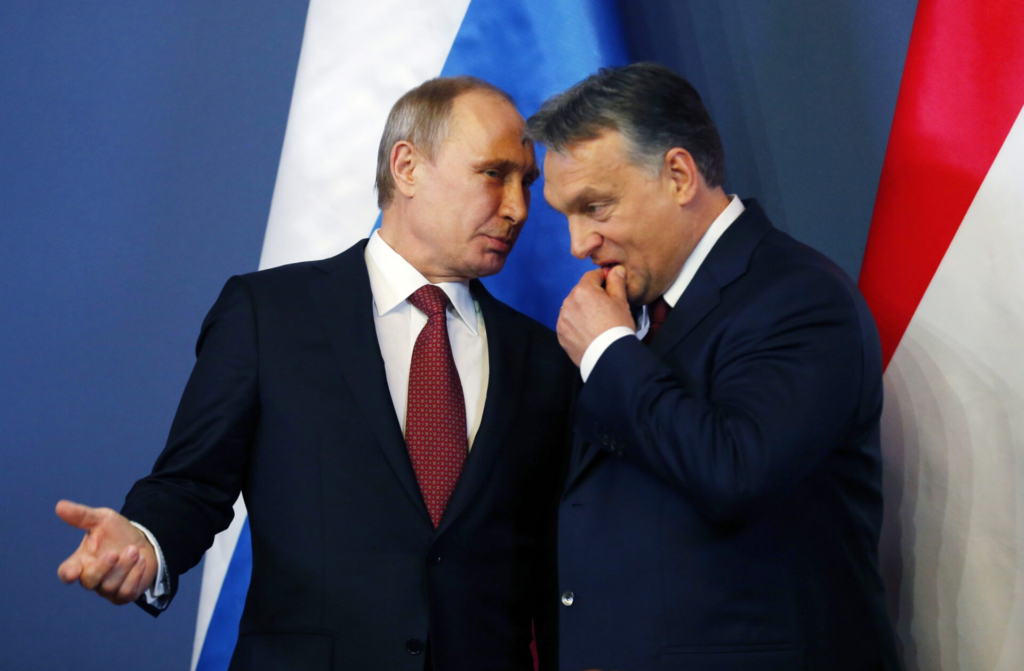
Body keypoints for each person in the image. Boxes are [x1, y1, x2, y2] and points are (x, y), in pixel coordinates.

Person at [56, 76, 575, 671]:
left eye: (526, 182)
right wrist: (145, 542)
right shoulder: (269, 315)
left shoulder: (545, 358)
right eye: (494, 174)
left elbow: (555, 564)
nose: (517, 208)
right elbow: (191, 485)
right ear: (407, 167)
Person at [527, 62, 900, 671]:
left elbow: (736, 470)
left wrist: (610, 352)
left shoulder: (799, 297)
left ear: (679, 175)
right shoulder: (632, 308)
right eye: (565, 214)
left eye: (595, 206)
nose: (578, 243)